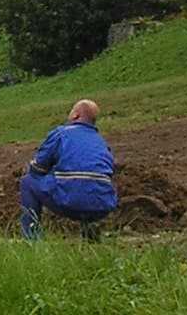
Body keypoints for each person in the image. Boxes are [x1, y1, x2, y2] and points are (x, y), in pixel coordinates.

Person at [18, 99, 118, 239]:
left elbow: (37, 168)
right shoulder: (101, 142)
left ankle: (31, 237)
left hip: (71, 200)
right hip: (102, 204)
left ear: (75, 115)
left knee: (28, 182)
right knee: (90, 181)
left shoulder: (61, 134)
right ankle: (90, 233)